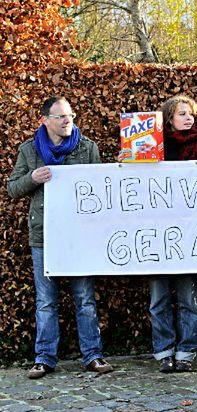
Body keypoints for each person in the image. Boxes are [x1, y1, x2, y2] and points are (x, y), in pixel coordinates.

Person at [7, 96, 113, 379]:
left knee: (85, 298)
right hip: (44, 236)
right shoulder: (29, 150)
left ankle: (93, 356)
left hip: (80, 236)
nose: (68, 121)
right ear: (45, 120)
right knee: (45, 300)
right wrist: (32, 178)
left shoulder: (87, 147)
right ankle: (44, 359)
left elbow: (102, 187)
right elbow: (12, 188)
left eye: (71, 115)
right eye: (61, 116)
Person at [148, 95, 197, 373]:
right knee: (159, 299)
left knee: (189, 300)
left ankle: (187, 351)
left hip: (190, 237)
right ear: (169, 119)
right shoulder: (152, 151)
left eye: (191, 114)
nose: (188, 118)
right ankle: (164, 351)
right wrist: (126, 164)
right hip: (157, 237)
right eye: (182, 114)